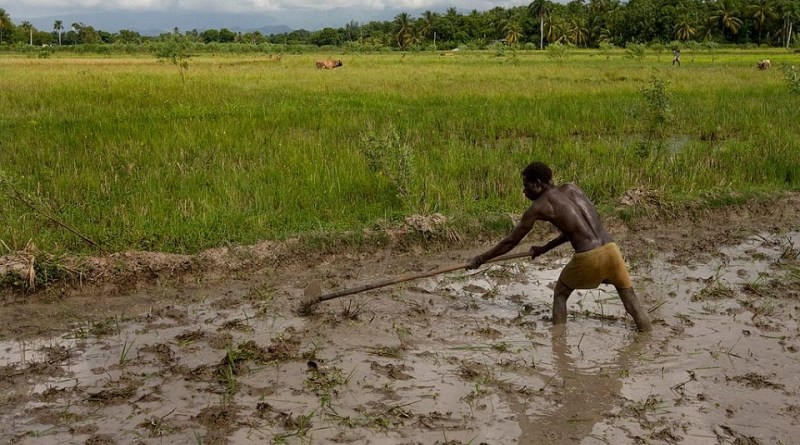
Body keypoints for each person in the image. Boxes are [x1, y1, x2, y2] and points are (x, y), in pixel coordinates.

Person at [466, 162, 652, 332]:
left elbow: (510, 242)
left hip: (589, 256)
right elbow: (576, 229)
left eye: (526, 186)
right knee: (632, 303)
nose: (524, 191)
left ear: (538, 184)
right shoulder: (572, 189)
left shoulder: (539, 206)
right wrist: (544, 248)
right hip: (612, 249)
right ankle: (647, 337)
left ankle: (559, 347)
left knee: (560, 295)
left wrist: (480, 259)